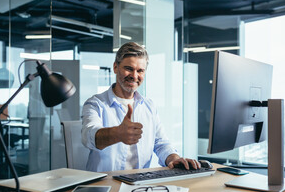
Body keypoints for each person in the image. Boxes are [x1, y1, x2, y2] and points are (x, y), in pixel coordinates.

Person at [81, 42, 201, 172]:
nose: (134, 75)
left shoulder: (149, 106)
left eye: (140, 71)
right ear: (115, 67)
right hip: (105, 184)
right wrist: (118, 133)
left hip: (139, 184)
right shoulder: (95, 104)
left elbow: (161, 144)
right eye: (128, 68)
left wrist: (173, 158)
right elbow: (89, 137)